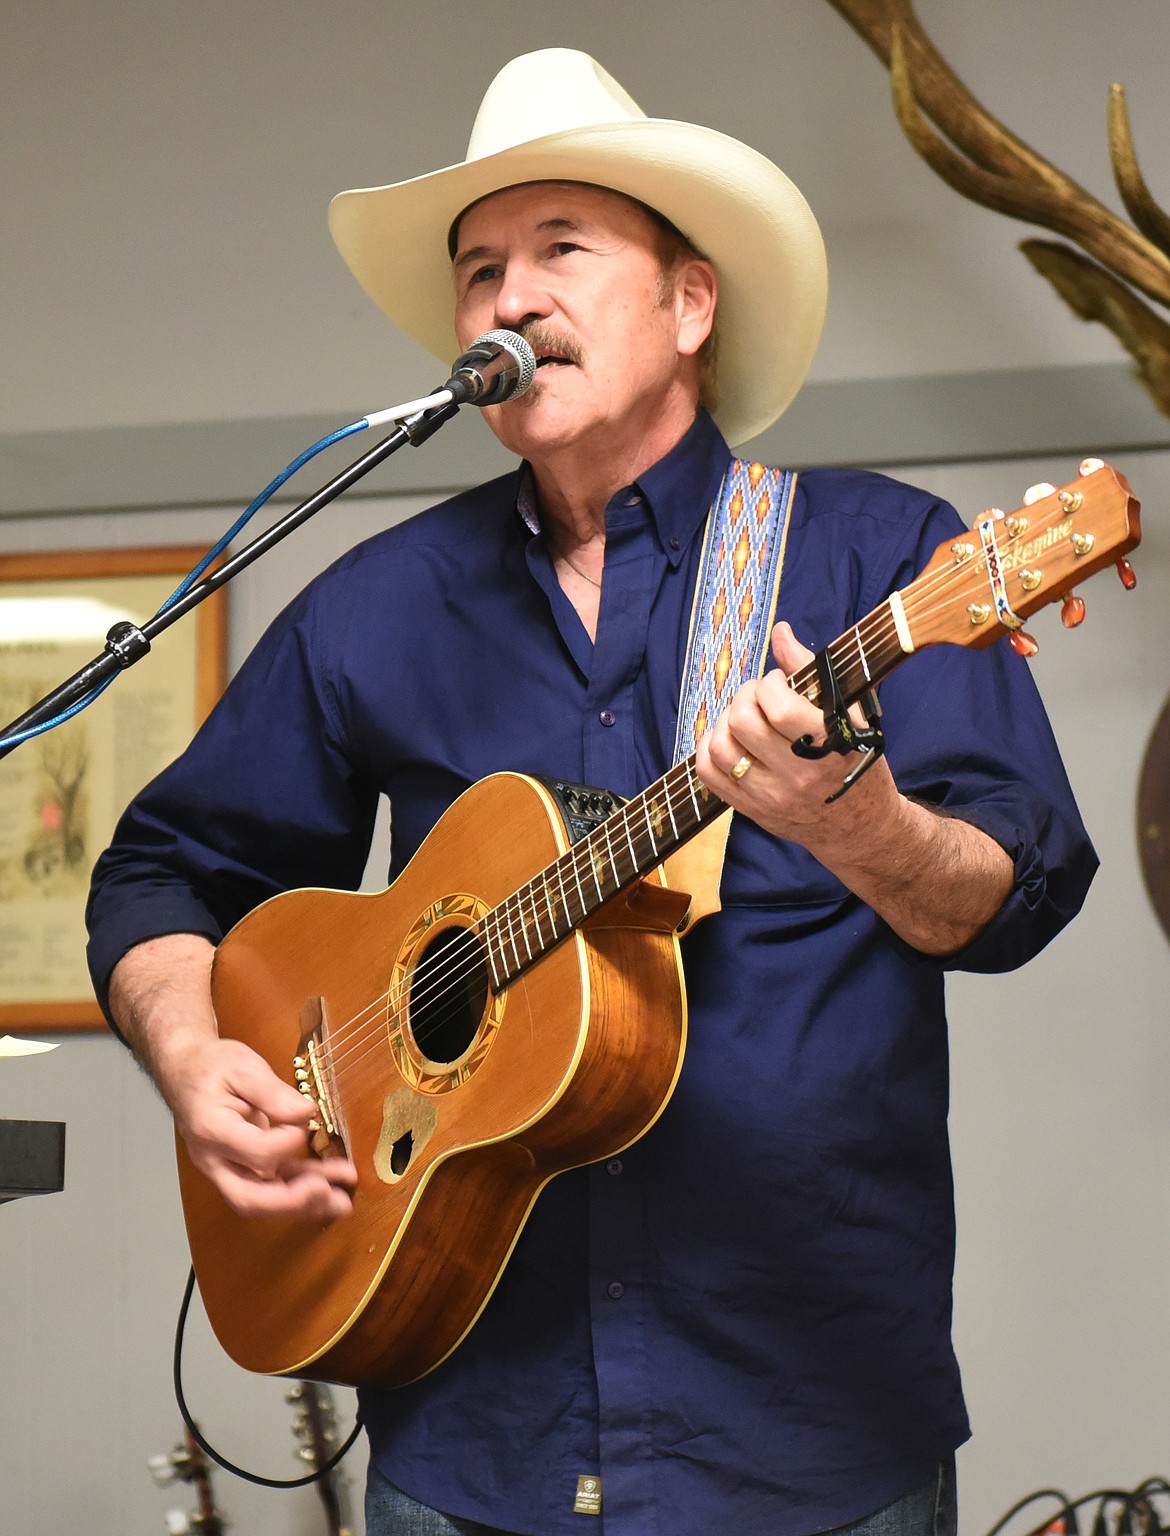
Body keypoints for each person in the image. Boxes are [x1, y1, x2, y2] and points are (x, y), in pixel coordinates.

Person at [87, 48, 1097, 1536]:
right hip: (467, 1431)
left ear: (690, 305)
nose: (509, 297)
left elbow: (1012, 894)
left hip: (799, 1434)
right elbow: (164, 872)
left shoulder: (874, 558)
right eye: (479, 268)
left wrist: (853, 823)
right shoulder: (378, 605)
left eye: (562, 249)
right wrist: (188, 1059)